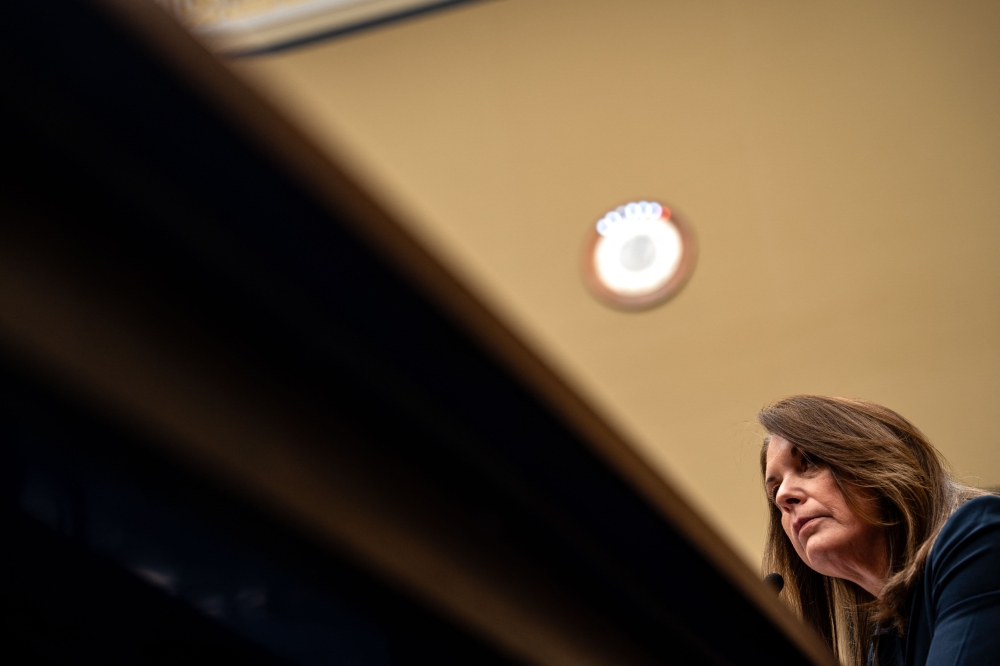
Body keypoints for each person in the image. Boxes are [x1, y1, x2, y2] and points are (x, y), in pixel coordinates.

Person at [758, 395, 1000, 666]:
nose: (783, 496)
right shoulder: (885, 642)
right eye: (774, 490)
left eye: (810, 462)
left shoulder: (980, 539)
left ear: (876, 461)